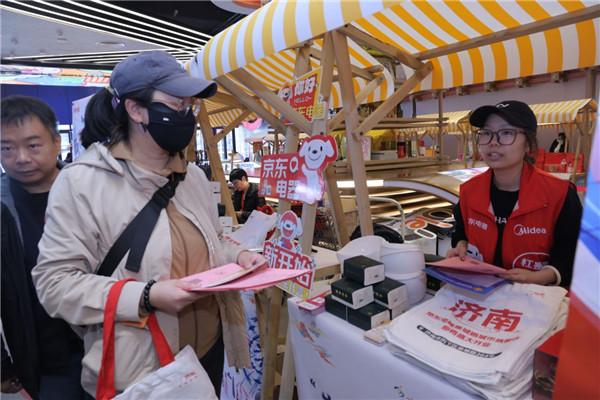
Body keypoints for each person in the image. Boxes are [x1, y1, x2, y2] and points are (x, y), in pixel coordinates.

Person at [31, 51, 264, 397]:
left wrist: (239, 255)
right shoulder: (82, 183)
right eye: (175, 104)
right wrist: (145, 296)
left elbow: (212, 240)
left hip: (207, 353)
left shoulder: (192, 177)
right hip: (143, 370)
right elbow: (54, 284)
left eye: (190, 106)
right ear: (136, 110)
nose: (187, 115)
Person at [1, 95, 85, 399]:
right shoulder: (2, 208)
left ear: (56, 143)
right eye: (7, 148)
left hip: (113, 346)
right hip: (45, 362)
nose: (21, 157)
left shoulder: (89, 192)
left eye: (33, 145)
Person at [447, 100, 582, 288]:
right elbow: (461, 230)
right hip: (480, 296)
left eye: (506, 133)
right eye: (486, 133)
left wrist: (541, 277)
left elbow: (573, 256)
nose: (493, 142)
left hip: (536, 301)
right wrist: (461, 244)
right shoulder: (470, 191)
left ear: (528, 144)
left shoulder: (561, 195)